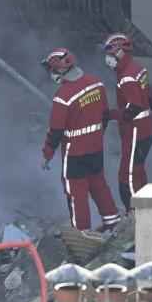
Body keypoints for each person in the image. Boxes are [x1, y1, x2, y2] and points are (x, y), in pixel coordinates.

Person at [41, 49, 121, 233]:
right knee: (99, 184)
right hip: (95, 148)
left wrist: (47, 154)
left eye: (51, 71)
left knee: (76, 194)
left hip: (74, 154)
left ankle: (82, 234)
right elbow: (104, 115)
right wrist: (96, 136)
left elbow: (55, 131)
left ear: (59, 71)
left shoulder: (63, 96)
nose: (51, 75)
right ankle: (114, 222)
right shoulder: (96, 84)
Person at [103, 33, 152, 213]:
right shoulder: (138, 68)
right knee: (139, 170)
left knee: (127, 176)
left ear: (120, 53)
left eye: (110, 54)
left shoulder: (126, 77)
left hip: (135, 131)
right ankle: (147, 208)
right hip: (147, 128)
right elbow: (148, 99)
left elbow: (134, 107)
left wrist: (111, 115)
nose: (107, 59)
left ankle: (133, 213)